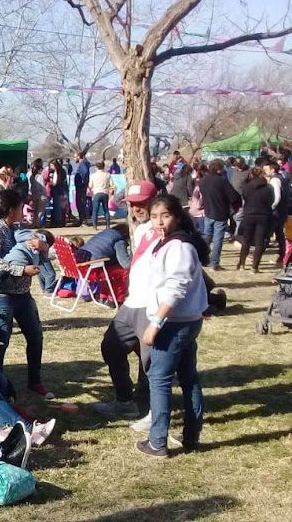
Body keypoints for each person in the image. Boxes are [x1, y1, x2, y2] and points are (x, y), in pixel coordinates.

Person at [136, 194, 207, 458]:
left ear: (176, 216)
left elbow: (176, 288)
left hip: (174, 323)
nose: (159, 221)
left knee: (160, 379)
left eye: (165, 215)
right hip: (183, 321)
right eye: (154, 216)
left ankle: (157, 442)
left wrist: (155, 323)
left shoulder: (179, 247)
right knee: (188, 377)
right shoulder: (167, 242)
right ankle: (191, 435)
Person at [92, 181, 159, 418]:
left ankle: (151, 410)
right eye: (132, 205)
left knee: (150, 360)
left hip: (152, 306)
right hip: (131, 303)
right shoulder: (140, 230)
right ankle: (125, 400)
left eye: (141, 204)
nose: (136, 209)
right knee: (111, 347)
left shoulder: (164, 228)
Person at [0, 189, 52, 400]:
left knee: (35, 336)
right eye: (21, 207)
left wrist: (44, 248)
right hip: (1, 294)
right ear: (11, 210)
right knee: (1, 341)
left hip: (22, 293)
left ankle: (35, 381)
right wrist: (22, 270)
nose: (24, 210)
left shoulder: (18, 229)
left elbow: (36, 255)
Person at [0, 228, 55, 294]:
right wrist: (43, 247)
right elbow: (39, 262)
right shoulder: (37, 249)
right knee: (12, 279)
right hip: (21, 260)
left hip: (11, 255)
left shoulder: (21, 237)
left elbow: (18, 234)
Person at [199, 160, 242, 271]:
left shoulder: (203, 180)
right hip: (220, 212)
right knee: (217, 239)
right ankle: (214, 263)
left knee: (207, 236)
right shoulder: (222, 181)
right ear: (218, 169)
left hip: (208, 212)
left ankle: (202, 258)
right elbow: (233, 195)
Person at [236, 166, 274, 273]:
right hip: (263, 215)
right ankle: (254, 267)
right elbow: (271, 201)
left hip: (249, 214)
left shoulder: (246, 187)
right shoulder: (268, 187)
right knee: (260, 242)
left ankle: (242, 264)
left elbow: (245, 199)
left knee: (246, 241)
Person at [263, 161, 288, 267]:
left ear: (273, 170)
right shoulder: (281, 177)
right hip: (282, 210)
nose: (265, 172)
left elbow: (277, 197)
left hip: (276, 211)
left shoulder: (275, 180)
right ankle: (282, 256)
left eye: (267, 170)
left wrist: (271, 207)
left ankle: (258, 253)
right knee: (280, 234)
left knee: (267, 233)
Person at [89, 161, 114, 229]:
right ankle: (108, 225)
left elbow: (90, 186)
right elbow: (112, 184)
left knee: (95, 210)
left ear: (96, 167)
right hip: (105, 193)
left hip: (96, 193)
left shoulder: (93, 175)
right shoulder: (107, 174)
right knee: (106, 210)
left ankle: (95, 226)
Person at [73, 152, 92, 224]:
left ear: (78, 156)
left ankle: (83, 220)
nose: (74, 159)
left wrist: (83, 182)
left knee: (80, 202)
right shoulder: (84, 163)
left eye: (75, 157)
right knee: (81, 202)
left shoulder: (82, 164)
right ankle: (82, 219)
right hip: (81, 186)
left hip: (80, 186)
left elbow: (85, 172)